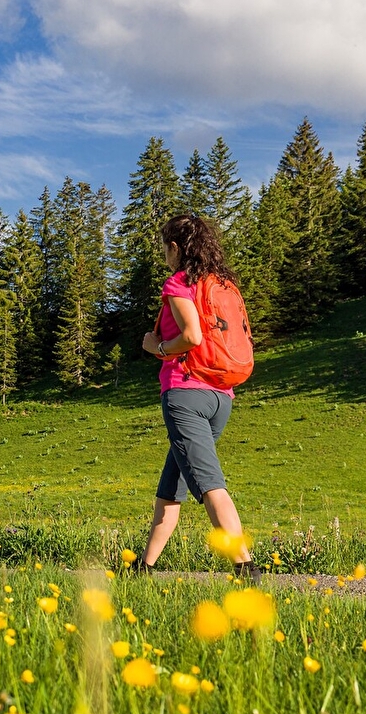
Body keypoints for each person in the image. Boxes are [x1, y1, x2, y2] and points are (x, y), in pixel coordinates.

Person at [136, 213, 258, 581]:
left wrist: (157, 348)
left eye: (164, 248)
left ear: (175, 248)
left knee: (208, 484)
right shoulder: (220, 285)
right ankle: (143, 569)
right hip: (222, 396)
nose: (164, 255)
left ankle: (245, 567)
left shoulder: (179, 284)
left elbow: (191, 337)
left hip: (185, 393)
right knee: (172, 486)